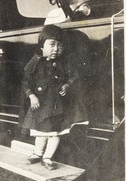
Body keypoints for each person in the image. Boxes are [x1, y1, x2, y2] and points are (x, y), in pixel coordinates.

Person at [20, 25, 88, 170]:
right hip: (41, 104)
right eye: (52, 44)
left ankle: (48, 157)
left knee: (55, 132)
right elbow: (26, 81)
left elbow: (73, 77)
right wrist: (32, 96)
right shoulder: (35, 62)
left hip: (58, 106)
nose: (56, 49)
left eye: (59, 45)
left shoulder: (64, 63)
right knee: (41, 131)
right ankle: (37, 153)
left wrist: (66, 86)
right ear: (42, 46)